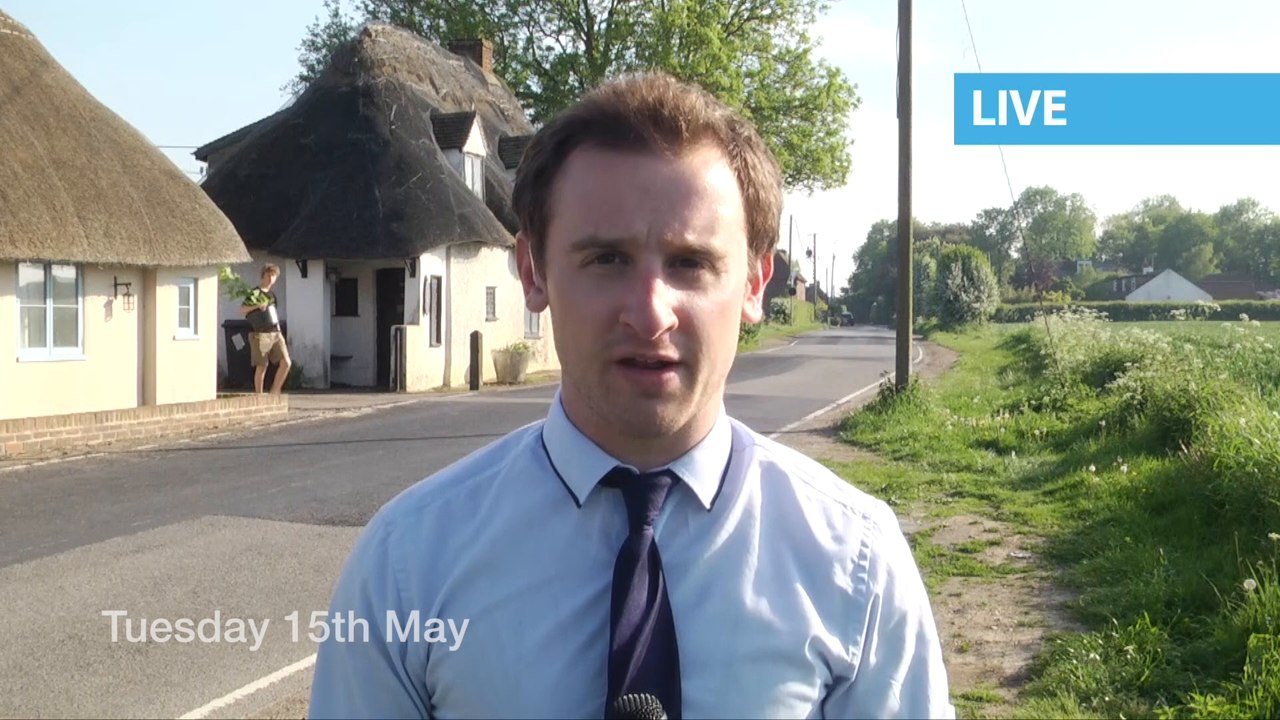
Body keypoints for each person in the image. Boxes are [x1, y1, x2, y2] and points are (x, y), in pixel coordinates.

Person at [308, 72, 953, 719]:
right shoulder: (407, 564)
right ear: (533, 272)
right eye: (607, 259)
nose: (650, 315)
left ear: (756, 282)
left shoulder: (856, 564)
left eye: (690, 263)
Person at [239, 263, 292, 395]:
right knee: (262, 365)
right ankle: (259, 396)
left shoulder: (272, 295)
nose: (270, 279)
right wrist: (257, 306)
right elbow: (242, 310)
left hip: (275, 332)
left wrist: (279, 331)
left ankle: (274, 391)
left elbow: (274, 314)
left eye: (273, 276)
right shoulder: (255, 293)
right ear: (263, 276)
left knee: (286, 362)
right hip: (260, 333)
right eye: (268, 275)